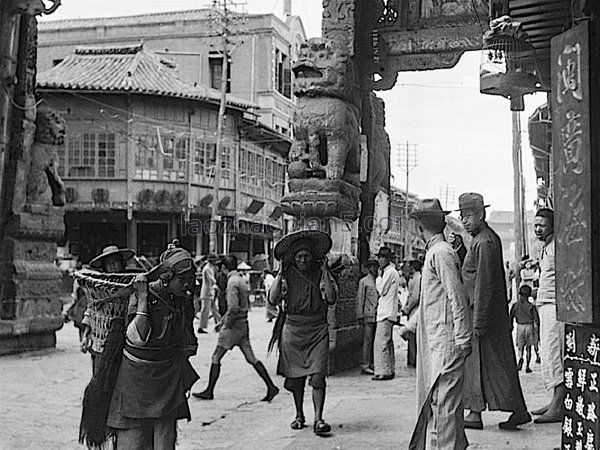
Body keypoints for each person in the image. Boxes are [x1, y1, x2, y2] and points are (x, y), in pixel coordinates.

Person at [85, 240, 199, 449]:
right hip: (136, 381)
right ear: (166, 277)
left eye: (191, 279)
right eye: (183, 279)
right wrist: (144, 297)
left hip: (167, 380)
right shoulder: (141, 292)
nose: (188, 284)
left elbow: (188, 340)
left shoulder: (182, 299)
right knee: (133, 442)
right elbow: (137, 337)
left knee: (165, 443)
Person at [400, 198, 472, 450]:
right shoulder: (435, 252)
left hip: (447, 343)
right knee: (441, 407)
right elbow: (432, 301)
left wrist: (463, 337)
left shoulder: (441, 253)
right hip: (437, 341)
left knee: (443, 409)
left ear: (420, 227)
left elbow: (456, 296)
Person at [458, 192, 530, 430]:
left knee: (482, 366)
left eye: (469, 215)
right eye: (462, 216)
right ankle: (516, 410)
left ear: (481, 214)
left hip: (485, 317)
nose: (465, 220)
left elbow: (485, 285)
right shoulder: (481, 240)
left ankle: (475, 413)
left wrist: (478, 322)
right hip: (489, 316)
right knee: (499, 367)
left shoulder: (484, 242)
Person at [268, 229, 337, 436]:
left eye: (307, 255)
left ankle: (319, 418)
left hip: (317, 330)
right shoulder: (287, 275)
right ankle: (299, 414)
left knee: (317, 376)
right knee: (295, 378)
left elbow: (332, 298)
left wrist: (325, 271)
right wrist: (280, 273)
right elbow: (272, 299)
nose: (303, 260)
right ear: (293, 258)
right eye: (299, 256)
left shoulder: (321, 273)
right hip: (293, 330)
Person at [192, 254, 279, 402]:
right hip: (243, 324)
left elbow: (233, 308)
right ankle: (271, 386)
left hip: (233, 326)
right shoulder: (240, 280)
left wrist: (226, 324)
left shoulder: (231, 282)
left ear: (225, 268)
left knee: (216, 357)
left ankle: (209, 390)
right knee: (251, 358)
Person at [78, 245, 135, 372]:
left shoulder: (131, 283)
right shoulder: (97, 287)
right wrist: (85, 336)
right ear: (105, 267)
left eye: (116, 262)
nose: (113, 266)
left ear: (122, 263)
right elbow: (91, 310)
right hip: (101, 340)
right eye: (109, 263)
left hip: (126, 340)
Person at [531, 208, 564, 424]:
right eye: (535, 225)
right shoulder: (545, 247)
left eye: (542, 225)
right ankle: (554, 401)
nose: (537, 229)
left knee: (554, 354)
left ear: (552, 225)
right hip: (544, 305)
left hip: (554, 306)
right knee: (548, 355)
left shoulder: (557, 248)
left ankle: (558, 406)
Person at [373, 246, 400, 381]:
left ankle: (383, 371)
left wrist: (378, 278)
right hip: (388, 310)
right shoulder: (392, 272)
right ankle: (389, 369)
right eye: (379, 257)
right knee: (387, 342)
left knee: (381, 343)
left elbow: (382, 290)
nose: (380, 260)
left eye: (383, 257)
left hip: (385, 311)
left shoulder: (389, 273)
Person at [356, 257, 379, 375]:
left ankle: (373, 363)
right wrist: (360, 315)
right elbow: (360, 299)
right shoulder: (364, 281)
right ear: (369, 268)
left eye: (376, 266)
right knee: (367, 340)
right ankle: (365, 364)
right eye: (372, 266)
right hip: (368, 314)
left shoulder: (379, 280)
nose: (374, 269)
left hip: (377, 314)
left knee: (376, 340)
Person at [509, 285, 539, 374]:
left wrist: (511, 326)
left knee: (520, 346)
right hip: (529, 326)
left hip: (520, 326)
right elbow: (536, 319)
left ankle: (520, 357)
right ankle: (528, 366)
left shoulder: (515, 305)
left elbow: (511, 316)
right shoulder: (531, 306)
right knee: (529, 347)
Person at [401, 259, 422, 368]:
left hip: (415, 310)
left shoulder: (417, 279)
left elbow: (414, 298)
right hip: (412, 310)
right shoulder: (413, 279)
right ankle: (412, 359)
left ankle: (414, 360)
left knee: (414, 335)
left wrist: (407, 309)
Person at [198, 253, 221, 333]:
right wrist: (217, 284)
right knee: (205, 310)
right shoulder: (207, 269)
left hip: (210, 291)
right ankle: (201, 326)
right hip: (207, 292)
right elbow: (211, 280)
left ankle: (218, 324)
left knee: (215, 309)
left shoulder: (211, 268)